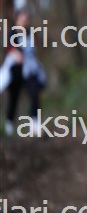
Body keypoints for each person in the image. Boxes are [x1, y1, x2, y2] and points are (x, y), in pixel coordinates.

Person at [1, 8, 46, 136]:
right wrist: (16, 54)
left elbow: (36, 49)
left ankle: (35, 125)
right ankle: (9, 125)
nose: (25, 20)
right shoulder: (12, 32)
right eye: (23, 18)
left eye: (27, 18)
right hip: (15, 70)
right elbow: (9, 47)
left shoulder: (31, 33)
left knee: (34, 94)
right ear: (17, 19)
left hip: (30, 69)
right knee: (14, 97)